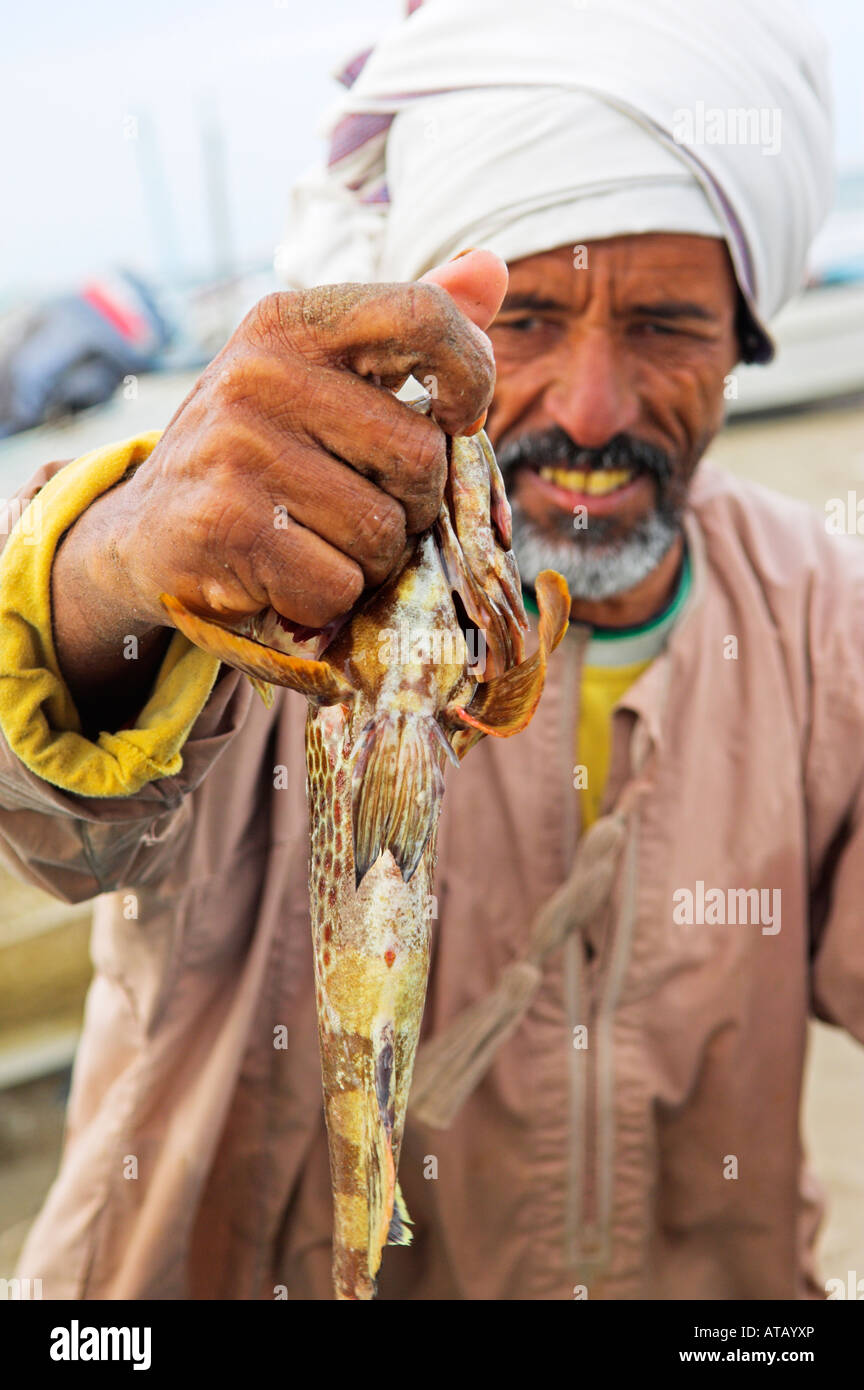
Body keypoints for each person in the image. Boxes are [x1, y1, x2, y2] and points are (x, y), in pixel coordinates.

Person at [1, 0, 853, 1299]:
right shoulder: (261, 564)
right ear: (428, 333)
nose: (590, 408)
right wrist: (109, 563)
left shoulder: (823, 611)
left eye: (668, 327)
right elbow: (50, 818)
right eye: (528, 321)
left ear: (748, 339)